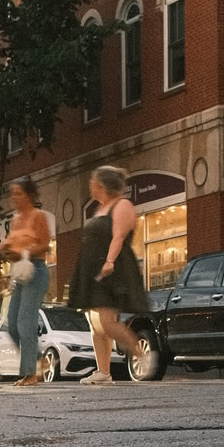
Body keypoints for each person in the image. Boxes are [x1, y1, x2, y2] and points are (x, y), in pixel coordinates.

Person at [69, 164, 149, 384]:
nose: (90, 186)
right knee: (95, 323)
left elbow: (118, 237)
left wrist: (109, 261)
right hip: (93, 269)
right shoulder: (101, 207)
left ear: (100, 184)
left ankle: (141, 354)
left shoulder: (122, 205)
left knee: (106, 322)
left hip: (112, 269)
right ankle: (103, 372)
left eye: (92, 182)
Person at [0, 177, 53, 386]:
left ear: (30, 195)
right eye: (12, 193)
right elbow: (10, 245)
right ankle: (38, 359)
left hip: (36, 271)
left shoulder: (38, 216)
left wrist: (23, 251)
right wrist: (5, 250)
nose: (14, 198)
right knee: (12, 323)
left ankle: (30, 374)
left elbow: (45, 245)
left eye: (18, 193)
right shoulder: (14, 220)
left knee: (26, 322)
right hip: (19, 274)